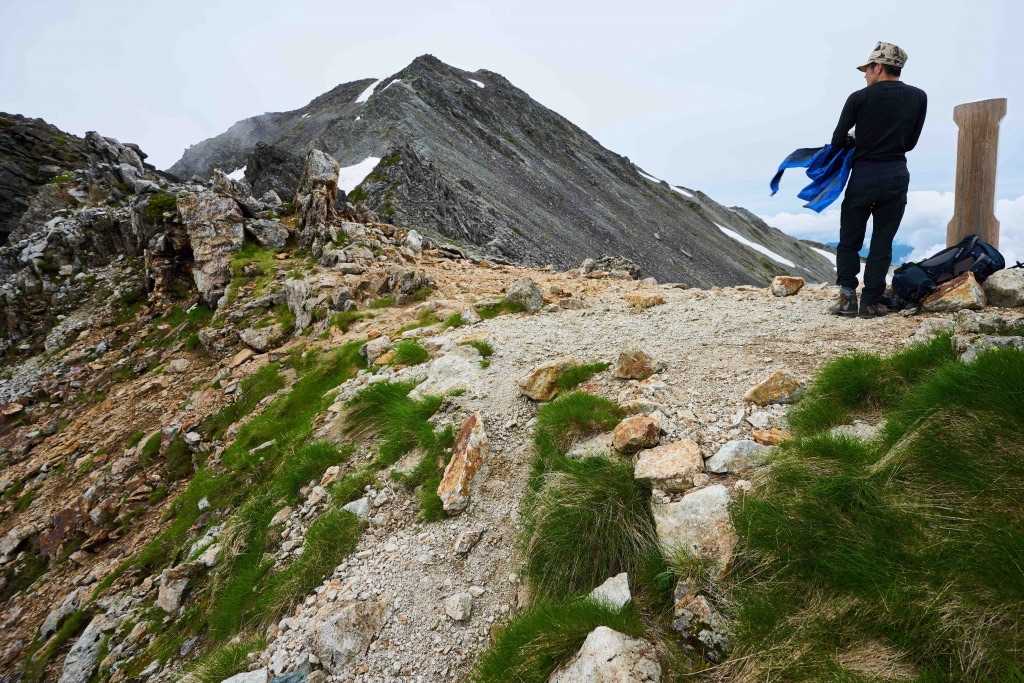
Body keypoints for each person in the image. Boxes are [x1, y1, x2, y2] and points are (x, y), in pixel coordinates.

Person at [828, 42, 927, 317]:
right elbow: (910, 143)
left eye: (867, 69)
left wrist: (856, 141)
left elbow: (837, 140)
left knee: (850, 238)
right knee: (883, 239)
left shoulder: (858, 98)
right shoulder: (919, 97)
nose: (865, 75)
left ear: (879, 67)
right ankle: (870, 302)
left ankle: (847, 299)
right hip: (896, 174)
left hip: (864, 175)